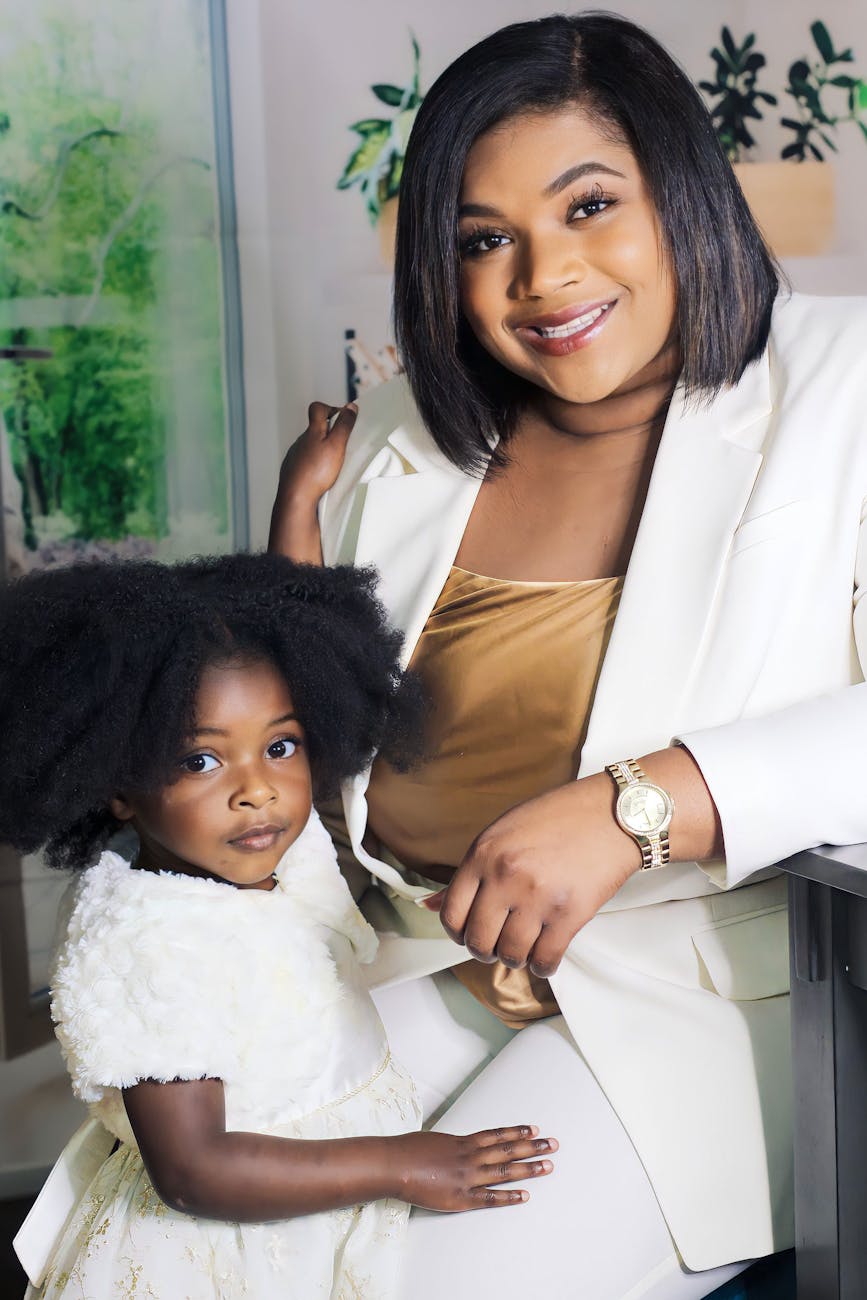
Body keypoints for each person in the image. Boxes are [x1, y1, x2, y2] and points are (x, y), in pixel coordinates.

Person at [269, 11, 867, 1299]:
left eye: (589, 205)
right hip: (404, 965)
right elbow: (299, 757)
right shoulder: (402, 434)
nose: (542, 277)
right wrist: (287, 569)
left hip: (678, 1003)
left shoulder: (844, 380)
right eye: (487, 238)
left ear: (681, 192)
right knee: (160, 1229)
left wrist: (643, 803)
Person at [3, 554, 557, 1300]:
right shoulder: (151, 940)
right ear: (117, 786)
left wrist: (301, 503)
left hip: (324, 1184)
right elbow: (194, 1171)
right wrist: (403, 1163)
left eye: (281, 746)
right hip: (232, 1254)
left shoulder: (280, 854)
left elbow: (290, 628)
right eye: (201, 758)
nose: (256, 790)